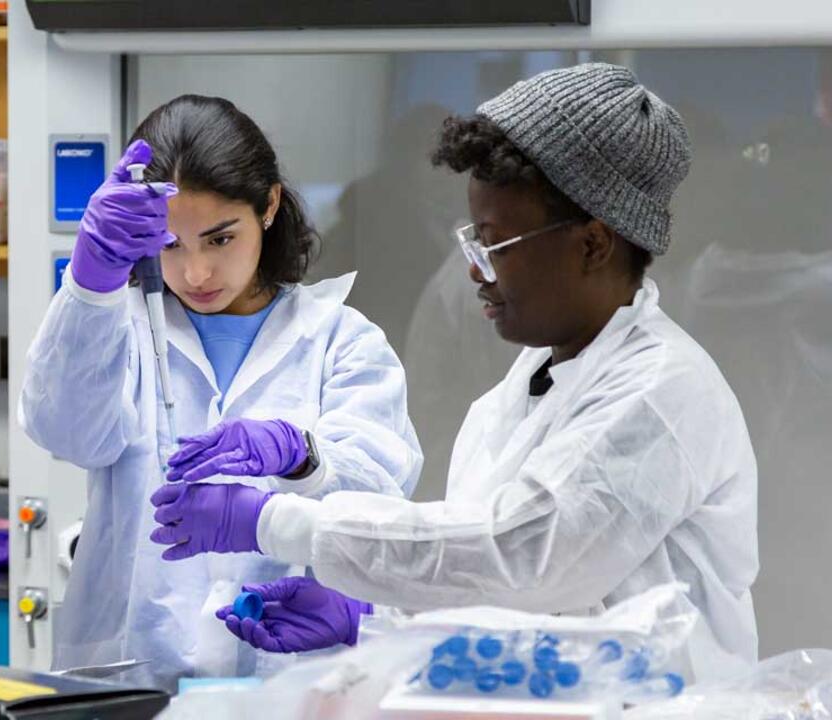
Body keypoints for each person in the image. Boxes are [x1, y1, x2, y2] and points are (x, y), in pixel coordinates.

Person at [149, 64, 759, 681]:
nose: (473, 268)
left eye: (495, 243)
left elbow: (518, 556)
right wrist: (370, 620)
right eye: (474, 239)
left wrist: (272, 521)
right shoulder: (524, 392)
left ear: (593, 244)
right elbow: (495, 596)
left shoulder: (659, 393)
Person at [20, 95, 423, 689]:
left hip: (292, 680)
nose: (197, 273)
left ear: (269, 206)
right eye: (170, 245)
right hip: (133, 678)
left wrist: (302, 456)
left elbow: (380, 500)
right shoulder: (115, 329)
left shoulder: (341, 341)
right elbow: (66, 433)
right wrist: (90, 285)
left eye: (219, 239)